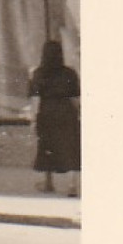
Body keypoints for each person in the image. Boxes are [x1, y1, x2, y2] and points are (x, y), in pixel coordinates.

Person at [29, 39, 80, 197]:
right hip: (66, 112)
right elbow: (75, 98)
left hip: (47, 112)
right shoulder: (69, 73)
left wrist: (33, 118)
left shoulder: (38, 73)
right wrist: (78, 113)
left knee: (47, 146)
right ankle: (72, 185)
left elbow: (35, 99)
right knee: (71, 147)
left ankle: (48, 182)